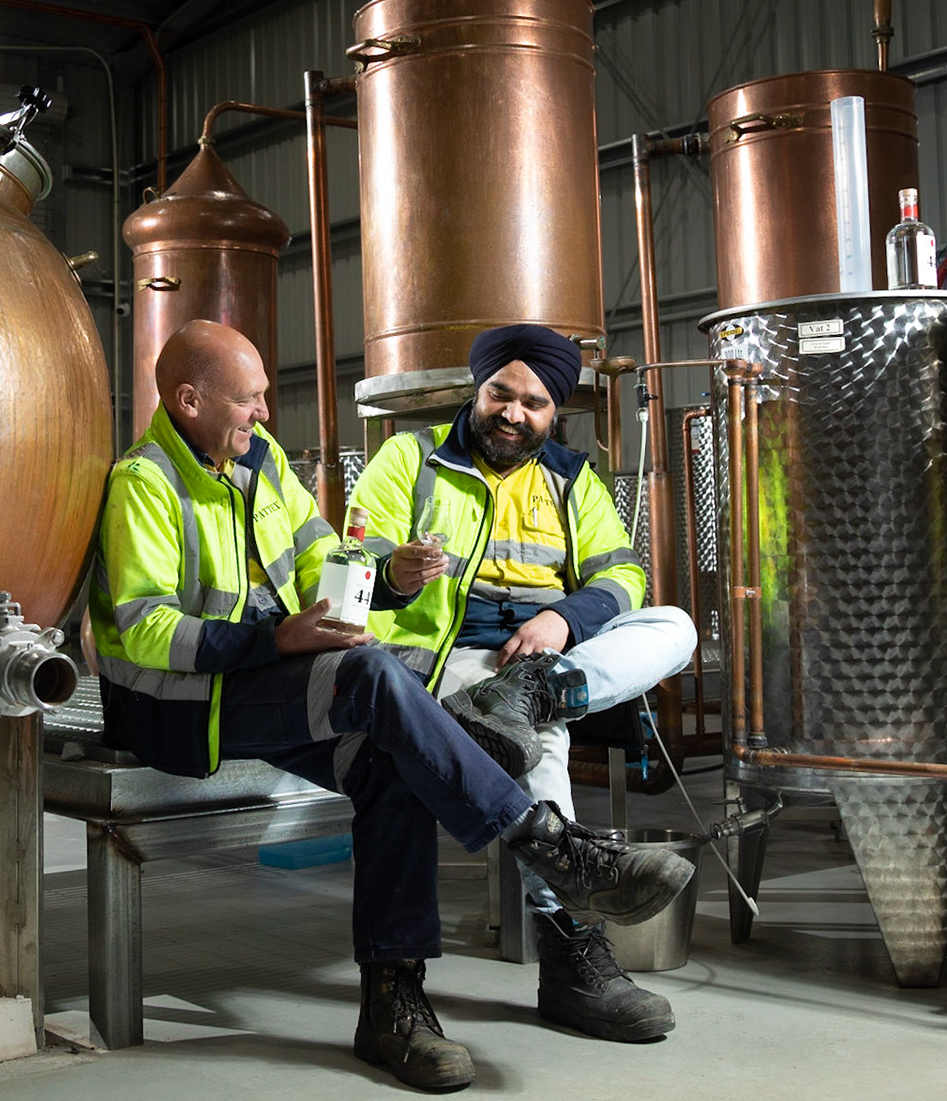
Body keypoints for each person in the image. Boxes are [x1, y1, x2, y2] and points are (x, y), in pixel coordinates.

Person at [90, 320, 695, 1091]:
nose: (267, 413)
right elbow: (144, 627)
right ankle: (555, 852)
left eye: (535, 401)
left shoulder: (258, 459)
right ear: (189, 400)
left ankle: (392, 1003)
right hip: (185, 706)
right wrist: (298, 627)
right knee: (382, 683)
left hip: (307, 673)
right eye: (250, 399)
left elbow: (327, 554)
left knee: (395, 753)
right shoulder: (146, 482)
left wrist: (373, 587)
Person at [349, 323, 700, 1044]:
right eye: (499, 395)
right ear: (476, 392)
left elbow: (622, 574)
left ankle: (536, 693)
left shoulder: (573, 477)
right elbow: (349, 559)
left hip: (546, 655)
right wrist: (392, 573)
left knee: (675, 627)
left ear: (553, 410)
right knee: (540, 747)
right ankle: (571, 955)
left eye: (533, 403)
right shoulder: (409, 459)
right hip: (451, 655)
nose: (513, 413)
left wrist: (563, 619)